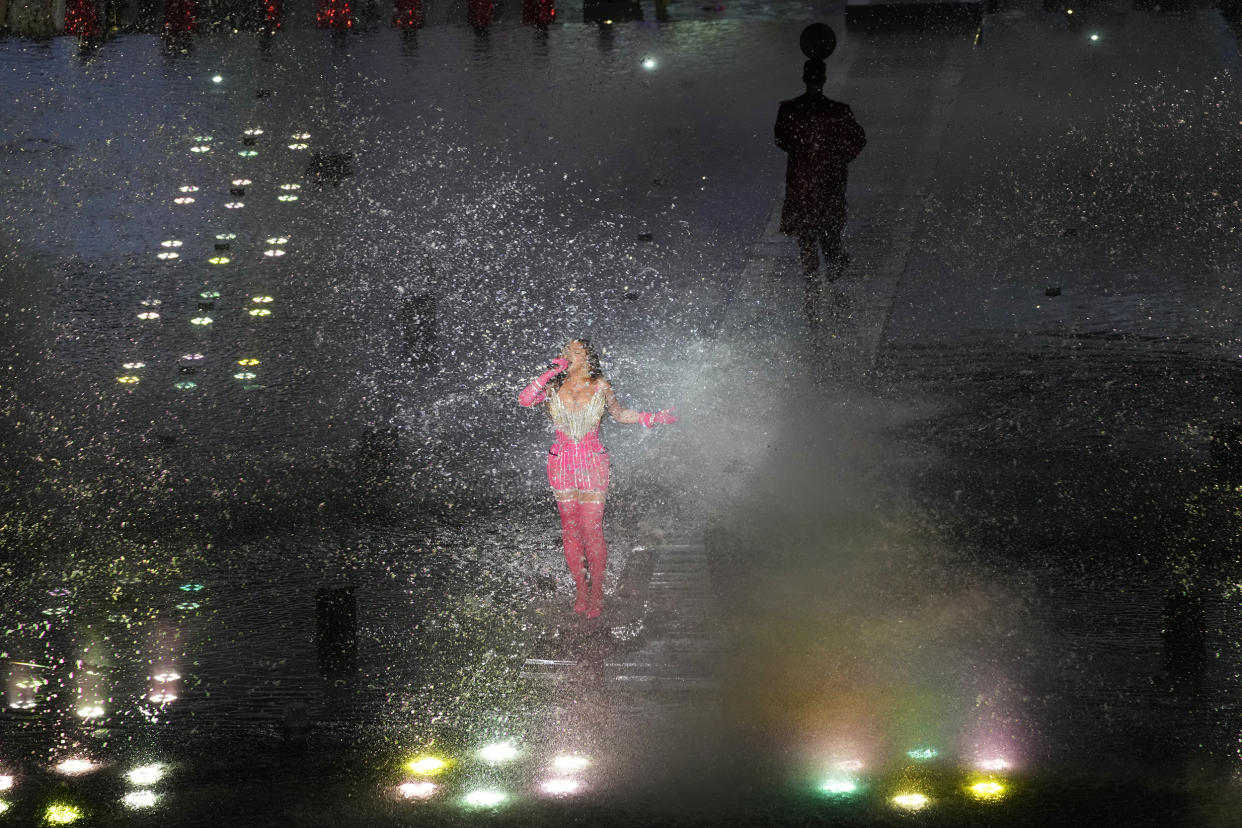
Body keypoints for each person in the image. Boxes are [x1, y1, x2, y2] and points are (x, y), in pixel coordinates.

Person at [518, 340, 676, 619]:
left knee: (592, 528)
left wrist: (654, 417)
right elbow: (524, 399)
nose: (568, 355)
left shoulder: (601, 386)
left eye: (575, 351)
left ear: (588, 358)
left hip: (593, 462)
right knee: (570, 529)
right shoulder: (553, 386)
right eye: (565, 351)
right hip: (561, 463)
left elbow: (620, 414)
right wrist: (548, 374)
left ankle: (598, 592)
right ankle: (581, 590)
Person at [775, 58, 866, 325]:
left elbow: (782, 140)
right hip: (829, 180)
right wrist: (837, 159)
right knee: (829, 228)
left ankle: (812, 282)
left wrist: (803, 154)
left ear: (804, 78)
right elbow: (857, 141)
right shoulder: (838, 112)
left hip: (802, 181)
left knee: (806, 234)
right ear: (824, 79)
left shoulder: (790, 110)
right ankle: (834, 263)